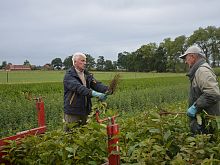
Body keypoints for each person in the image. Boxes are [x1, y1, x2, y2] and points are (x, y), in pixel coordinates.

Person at [63, 52, 111, 131]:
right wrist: (93, 93)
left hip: (85, 110)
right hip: (73, 111)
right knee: (71, 134)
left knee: (85, 134)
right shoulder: (69, 76)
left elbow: (96, 84)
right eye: (82, 61)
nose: (85, 63)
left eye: (85, 61)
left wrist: (107, 89)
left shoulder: (86, 74)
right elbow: (79, 88)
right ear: (75, 62)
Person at [179, 45, 220, 135]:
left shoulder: (202, 71)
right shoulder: (199, 70)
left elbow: (212, 93)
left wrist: (195, 107)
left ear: (193, 57)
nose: (185, 62)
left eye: (186, 58)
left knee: (206, 145)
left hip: (207, 123)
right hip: (203, 121)